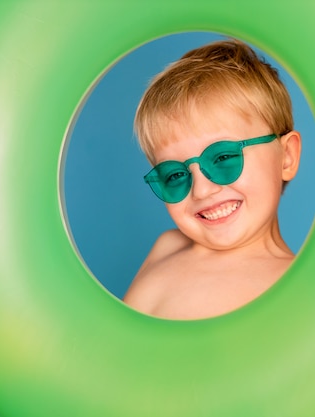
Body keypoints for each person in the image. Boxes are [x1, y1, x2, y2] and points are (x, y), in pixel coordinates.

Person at [123, 39, 301, 320]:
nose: (202, 190)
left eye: (222, 158)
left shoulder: (297, 285)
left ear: (286, 157)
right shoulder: (168, 247)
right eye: (176, 174)